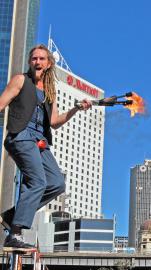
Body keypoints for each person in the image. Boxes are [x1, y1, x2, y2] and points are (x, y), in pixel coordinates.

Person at [0, 44, 92, 249]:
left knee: (57, 183)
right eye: (34, 59)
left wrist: (76, 108)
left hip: (40, 140)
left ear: (49, 64)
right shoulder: (20, 80)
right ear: (30, 62)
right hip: (22, 136)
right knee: (38, 181)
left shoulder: (50, 91)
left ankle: (12, 216)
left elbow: (55, 122)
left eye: (42, 59)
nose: (37, 62)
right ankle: (14, 233)